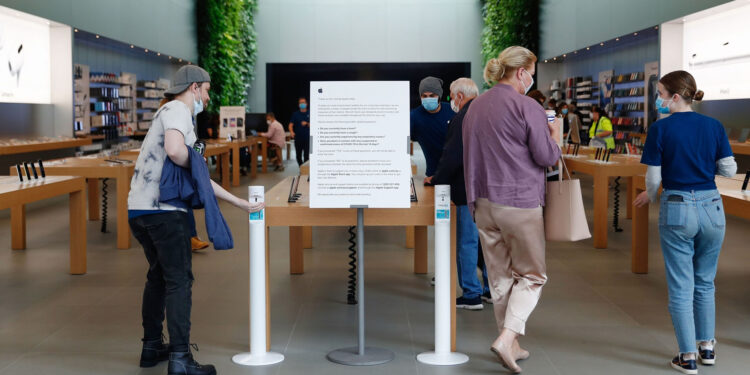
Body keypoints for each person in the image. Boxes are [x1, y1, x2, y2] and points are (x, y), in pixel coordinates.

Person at [127, 65, 264, 375]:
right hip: (165, 211)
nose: (208, 96)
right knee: (179, 281)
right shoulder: (177, 109)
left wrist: (237, 201)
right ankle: (180, 359)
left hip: (139, 210)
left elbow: (194, 172)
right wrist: (199, 163)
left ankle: (151, 347)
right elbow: (177, 153)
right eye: (206, 89)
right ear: (194, 87)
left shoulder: (164, 113)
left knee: (158, 277)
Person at [463, 46, 561, 373]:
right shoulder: (526, 106)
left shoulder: (475, 106)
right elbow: (547, 158)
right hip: (519, 201)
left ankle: (513, 345)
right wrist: (554, 136)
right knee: (532, 276)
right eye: (532, 72)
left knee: (500, 276)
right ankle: (508, 337)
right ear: (522, 72)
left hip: (483, 202)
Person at [634, 70, 736, 375]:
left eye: (661, 94)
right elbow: (729, 170)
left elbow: (653, 178)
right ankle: (707, 348)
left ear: (675, 97)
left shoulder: (660, 129)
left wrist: (649, 196)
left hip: (678, 206)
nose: (658, 100)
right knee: (705, 282)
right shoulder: (714, 126)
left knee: (681, 285)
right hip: (712, 206)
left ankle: (687, 356)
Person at [425, 78, 490, 310]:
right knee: (484, 241)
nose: (451, 100)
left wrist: (437, 180)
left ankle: (471, 293)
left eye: (452, 96)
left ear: (460, 96)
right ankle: (489, 289)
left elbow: (452, 155)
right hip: (489, 189)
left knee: (466, 242)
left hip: (467, 189)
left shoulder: (462, 118)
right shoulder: (486, 113)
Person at [158, 97, 210, 252]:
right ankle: (189, 237)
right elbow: (174, 150)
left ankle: (191, 236)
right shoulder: (173, 119)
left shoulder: (179, 121)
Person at [410, 76, 454, 177]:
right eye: (424, 96)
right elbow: (404, 141)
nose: (428, 99)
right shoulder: (415, 117)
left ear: (439, 95)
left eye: (432, 95)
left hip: (457, 173)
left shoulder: (452, 110)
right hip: (433, 175)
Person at [288, 97, 310, 166]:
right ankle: (301, 168)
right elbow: (290, 125)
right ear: (298, 105)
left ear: (306, 104)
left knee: (306, 156)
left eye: (303, 102)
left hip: (308, 138)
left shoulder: (311, 113)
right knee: (298, 156)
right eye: (300, 103)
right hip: (298, 138)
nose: (302, 104)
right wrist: (291, 132)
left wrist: (307, 123)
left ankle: (306, 171)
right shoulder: (295, 114)